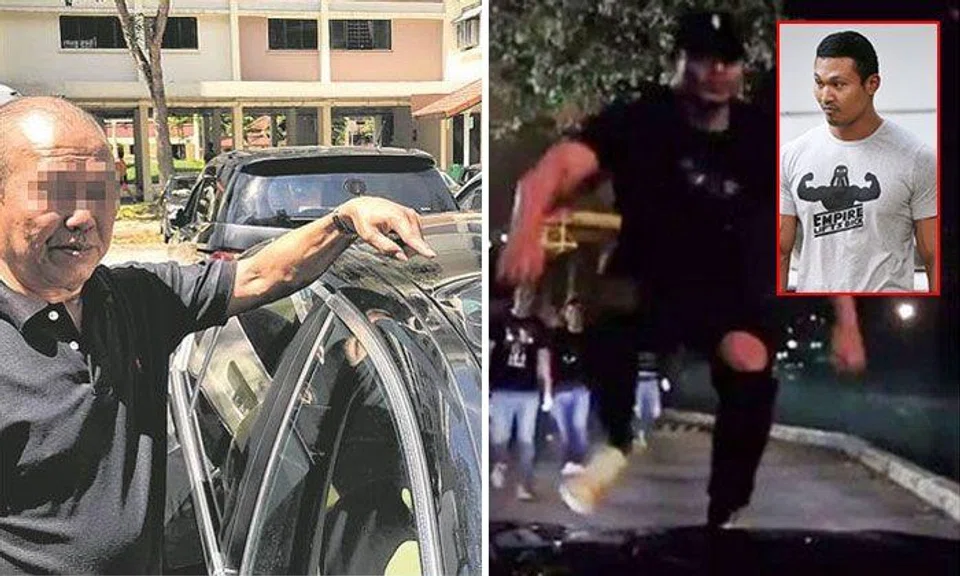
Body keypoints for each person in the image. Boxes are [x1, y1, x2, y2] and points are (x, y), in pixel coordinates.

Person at [0, 96, 435, 574]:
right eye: (57, 193)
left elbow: (256, 276)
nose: (84, 217)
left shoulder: (131, 300)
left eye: (100, 190)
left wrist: (343, 220)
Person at [498, 11, 867, 527]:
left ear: (740, 70)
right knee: (598, 310)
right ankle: (619, 438)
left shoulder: (766, 138)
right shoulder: (639, 120)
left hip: (729, 292)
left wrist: (846, 322)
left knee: (749, 359)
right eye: (701, 61)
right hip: (648, 279)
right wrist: (525, 232)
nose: (715, 73)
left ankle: (727, 505)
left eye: (727, 63)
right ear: (679, 65)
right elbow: (552, 171)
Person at [780, 30, 937, 292]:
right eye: (819, 83)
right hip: (818, 308)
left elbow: (934, 257)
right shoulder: (791, 156)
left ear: (872, 84)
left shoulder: (917, 158)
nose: (825, 97)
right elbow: (780, 251)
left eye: (838, 84)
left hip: (889, 312)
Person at [489, 285, 553, 501]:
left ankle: (523, 485)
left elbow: (543, 361)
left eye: (529, 295)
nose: (525, 299)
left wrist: (548, 392)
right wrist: (484, 386)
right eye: (522, 294)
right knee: (500, 436)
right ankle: (500, 463)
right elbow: (488, 353)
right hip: (501, 389)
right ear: (515, 296)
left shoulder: (538, 326)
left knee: (526, 441)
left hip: (528, 392)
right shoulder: (499, 322)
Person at [549, 298, 592, 475]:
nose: (574, 316)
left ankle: (578, 460)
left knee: (579, 425)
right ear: (566, 314)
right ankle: (567, 461)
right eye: (571, 312)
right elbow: (548, 361)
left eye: (577, 312)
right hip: (560, 389)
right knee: (564, 428)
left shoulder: (589, 337)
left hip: (581, 388)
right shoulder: (557, 336)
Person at [632, 351, 663, 450]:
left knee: (654, 412)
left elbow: (662, 363)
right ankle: (639, 434)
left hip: (652, 380)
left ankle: (642, 432)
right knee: (637, 410)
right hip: (638, 381)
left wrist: (663, 378)